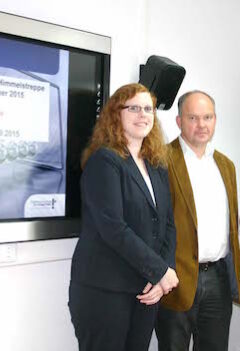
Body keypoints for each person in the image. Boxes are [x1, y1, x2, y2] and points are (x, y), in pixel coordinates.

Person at [68, 83, 178, 351]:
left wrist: (160, 275)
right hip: (105, 290)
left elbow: (167, 225)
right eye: (134, 108)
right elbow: (113, 228)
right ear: (116, 114)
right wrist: (160, 271)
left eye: (148, 109)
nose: (143, 115)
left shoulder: (156, 164)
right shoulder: (104, 161)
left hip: (145, 290)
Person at [155, 90, 240, 351]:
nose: (202, 124)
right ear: (179, 121)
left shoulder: (225, 165)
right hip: (176, 278)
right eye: (193, 117)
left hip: (218, 278)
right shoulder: (161, 160)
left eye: (208, 117)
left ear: (215, 120)